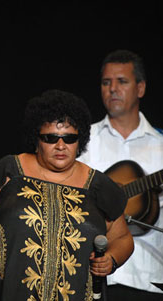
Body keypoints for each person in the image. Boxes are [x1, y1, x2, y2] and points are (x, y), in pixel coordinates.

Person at [0, 89, 134, 301]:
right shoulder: (8, 171)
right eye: (51, 138)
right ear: (36, 138)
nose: (61, 145)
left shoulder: (98, 186)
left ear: (79, 140)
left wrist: (112, 258)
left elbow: (122, 237)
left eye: (69, 138)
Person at [78, 50, 163, 300]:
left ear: (141, 88)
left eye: (122, 81)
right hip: (89, 277)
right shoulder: (82, 141)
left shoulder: (161, 146)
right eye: (106, 82)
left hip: (150, 278)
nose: (113, 89)